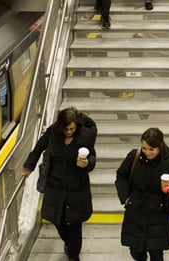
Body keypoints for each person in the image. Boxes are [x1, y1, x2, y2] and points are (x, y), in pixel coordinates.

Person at [21, 107, 98, 261]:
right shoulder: (53, 133)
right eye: (66, 128)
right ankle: (69, 245)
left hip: (76, 186)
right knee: (58, 221)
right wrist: (28, 165)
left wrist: (87, 163)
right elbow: (39, 147)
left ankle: (74, 255)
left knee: (75, 225)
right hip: (55, 184)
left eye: (71, 128)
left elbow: (92, 157)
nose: (68, 132)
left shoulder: (85, 137)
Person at [115, 127, 169, 261]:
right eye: (144, 148)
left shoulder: (168, 161)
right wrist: (126, 198)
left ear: (159, 147)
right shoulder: (134, 156)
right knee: (135, 251)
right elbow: (121, 176)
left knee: (156, 254)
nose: (147, 152)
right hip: (136, 211)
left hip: (158, 214)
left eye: (151, 149)